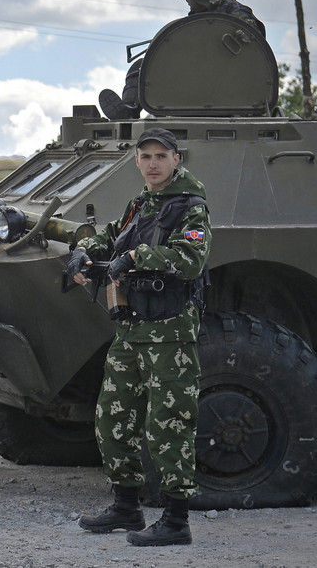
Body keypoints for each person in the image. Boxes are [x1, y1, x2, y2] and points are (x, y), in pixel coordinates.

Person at [68, 127, 211, 546]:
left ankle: (176, 520)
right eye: (145, 156)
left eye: (160, 157)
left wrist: (135, 257)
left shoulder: (191, 207)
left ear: (176, 160)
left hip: (169, 330)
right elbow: (111, 234)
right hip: (131, 329)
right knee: (113, 417)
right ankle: (126, 506)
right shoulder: (141, 204)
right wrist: (86, 250)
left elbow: (190, 258)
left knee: (168, 422)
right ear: (136, 161)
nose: (152, 164)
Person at [100, 0, 266, 121]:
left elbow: (252, 57)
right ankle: (130, 110)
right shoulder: (201, 19)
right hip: (196, 87)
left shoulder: (237, 17)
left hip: (230, 94)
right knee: (142, 66)